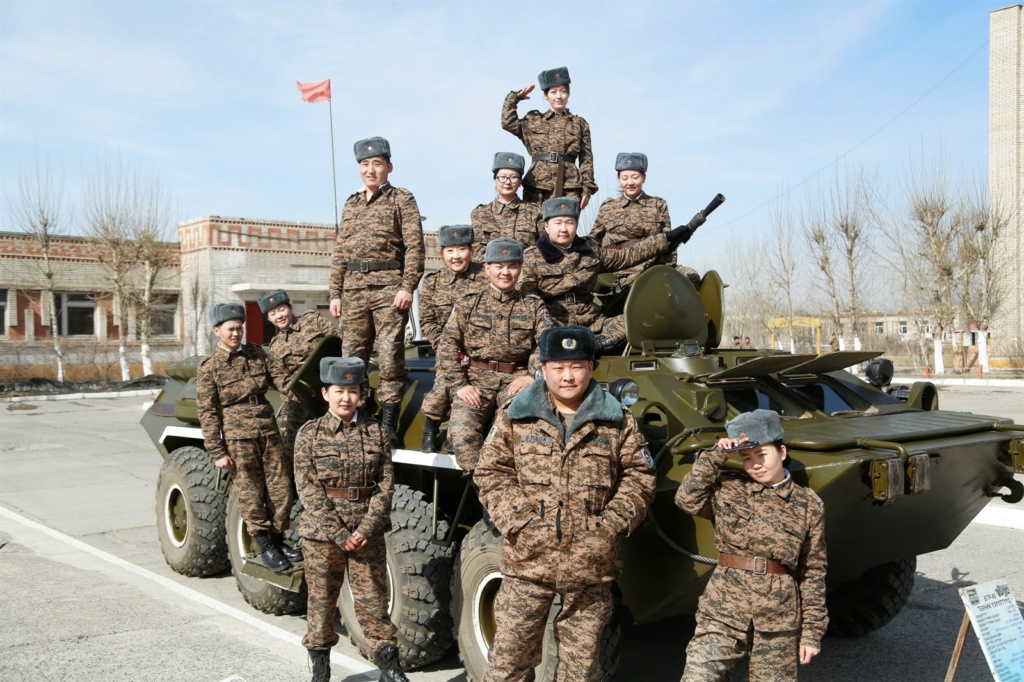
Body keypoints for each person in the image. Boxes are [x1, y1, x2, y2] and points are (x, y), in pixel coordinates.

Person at [474, 326, 657, 681]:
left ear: (591, 367)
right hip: (528, 565)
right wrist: (521, 522)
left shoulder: (618, 420)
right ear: (543, 368)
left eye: (576, 366)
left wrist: (609, 526)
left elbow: (640, 477)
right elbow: (491, 471)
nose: (567, 375)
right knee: (508, 666)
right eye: (558, 367)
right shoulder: (516, 415)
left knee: (581, 671)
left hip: (590, 568)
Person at [675, 409, 828, 681]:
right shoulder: (729, 489)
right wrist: (715, 456)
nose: (755, 464)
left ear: (781, 452)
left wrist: (812, 632)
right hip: (723, 609)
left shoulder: (807, 506)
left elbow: (813, 571)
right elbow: (687, 499)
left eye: (762, 455)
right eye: (748, 458)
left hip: (778, 617)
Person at [295, 357, 408, 682]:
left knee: (374, 602)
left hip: (366, 534)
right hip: (322, 536)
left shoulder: (376, 432)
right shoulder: (309, 435)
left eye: (353, 391)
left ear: (362, 393)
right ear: (325, 393)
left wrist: (364, 529)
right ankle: (320, 671)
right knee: (321, 605)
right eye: (339, 391)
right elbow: (308, 489)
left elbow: (385, 485)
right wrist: (338, 533)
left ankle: (390, 669)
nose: (346, 398)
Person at [328, 136, 425, 437]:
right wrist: (334, 292)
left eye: (377, 164)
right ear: (359, 168)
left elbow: (415, 247)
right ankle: (359, 418)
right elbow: (340, 251)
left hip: (388, 288)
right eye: (365, 164)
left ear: (389, 166)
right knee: (352, 357)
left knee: (390, 355)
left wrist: (407, 286)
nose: (371, 170)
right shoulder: (351, 203)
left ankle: (388, 423)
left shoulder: (401, 199)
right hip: (354, 290)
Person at [196, 303, 297, 572]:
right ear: (217, 331)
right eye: (230, 329)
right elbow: (207, 411)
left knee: (281, 487)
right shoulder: (210, 367)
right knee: (251, 491)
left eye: (239, 328)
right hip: (238, 436)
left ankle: (278, 539)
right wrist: (217, 452)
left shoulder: (257, 353)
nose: (236, 333)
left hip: (267, 428)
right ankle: (265, 545)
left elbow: (283, 381)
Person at [435, 237, 550, 472]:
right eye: (499, 266)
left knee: (516, 434)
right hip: (475, 381)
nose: (505, 272)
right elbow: (447, 343)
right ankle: (487, 492)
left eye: (512, 266)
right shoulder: (469, 304)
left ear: (520, 269)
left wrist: (532, 376)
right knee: (462, 434)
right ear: (487, 268)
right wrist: (459, 385)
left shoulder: (533, 306)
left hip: (516, 381)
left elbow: (546, 343)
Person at [520, 196, 693, 349]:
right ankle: (578, 346)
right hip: (554, 324)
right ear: (546, 226)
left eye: (569, 222)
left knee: (635, 320)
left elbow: (627, 256)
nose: (564, 229)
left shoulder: (591, 252)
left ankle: (596, 345)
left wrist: (666, 239)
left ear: (576, 225)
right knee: (545, 356)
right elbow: (529, 301)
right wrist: (547, 330)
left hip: (591, 323)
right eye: (558, 223)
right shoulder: (531, 257)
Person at [418, 225, 488, 452]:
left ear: (471, 250)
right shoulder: (432, 282)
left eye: (461, 249)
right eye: (450, 251)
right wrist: (446, 347)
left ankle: (461, 434)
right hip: (447, 348)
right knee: (444, 382)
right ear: (442, 254)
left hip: (481, 348)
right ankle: (430, 428)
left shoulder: (486, 277)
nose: (456, 256)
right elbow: (427, 321)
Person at [501, 67, 597, 208]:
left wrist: (587, 189)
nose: (559, 96)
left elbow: (586, 159)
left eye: (563, 91)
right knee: (535, 228)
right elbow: (507, 123)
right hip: (537, 185)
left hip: (569, 185)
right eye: (553, 92)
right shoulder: (533, 120)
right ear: (546, 96)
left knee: (565, 227)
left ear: (568, 94)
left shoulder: (579, 124)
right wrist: (514, 98)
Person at [260, 289, 339, 459]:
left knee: (335, 443)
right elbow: (280, 378)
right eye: (273, 313)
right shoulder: (275, 346)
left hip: (332, 388)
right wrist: (298, 395)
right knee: (291, 448)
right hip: (300, 398)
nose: (279, 316)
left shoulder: (313, 320)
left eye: (281, 309)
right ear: (268, 319)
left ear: (290, 307)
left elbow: (338, 342)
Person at [589, 152, 686, 288]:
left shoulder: (658, 204)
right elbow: (593, 240)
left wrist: (666, 268)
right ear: (619, 179)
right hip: (625, 270)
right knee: (645, 288)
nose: (630, 183)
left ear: (643, 178)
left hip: (656, 265)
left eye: (635, 177)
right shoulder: (608, 208)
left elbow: (669, 241)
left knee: (691, 278)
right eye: (625, 178)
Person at [470, 152, 544, 261]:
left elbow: (542, 247)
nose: (508, 182)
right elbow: (477, 250)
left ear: (520, 182)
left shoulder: (535, 212)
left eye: (514, 177)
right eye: (503, 177)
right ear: (495, 181)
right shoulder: (481, 214)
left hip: (526, 272)